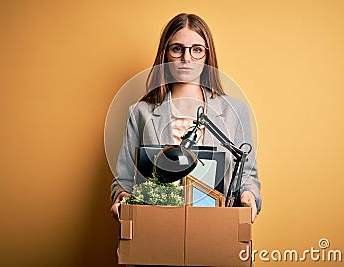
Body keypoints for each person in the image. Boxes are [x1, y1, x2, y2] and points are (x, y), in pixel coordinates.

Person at [110, 13, 261, 223]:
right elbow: (125, 179)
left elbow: (247, 176)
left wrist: (248, 195)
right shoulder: (140, 112)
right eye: (177, 49)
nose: (187, 58)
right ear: (165, 53)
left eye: (197, 50)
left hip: (215, 228)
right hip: (155, 227)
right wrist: (122, 198)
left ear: (208, 55)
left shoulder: (235, 111)